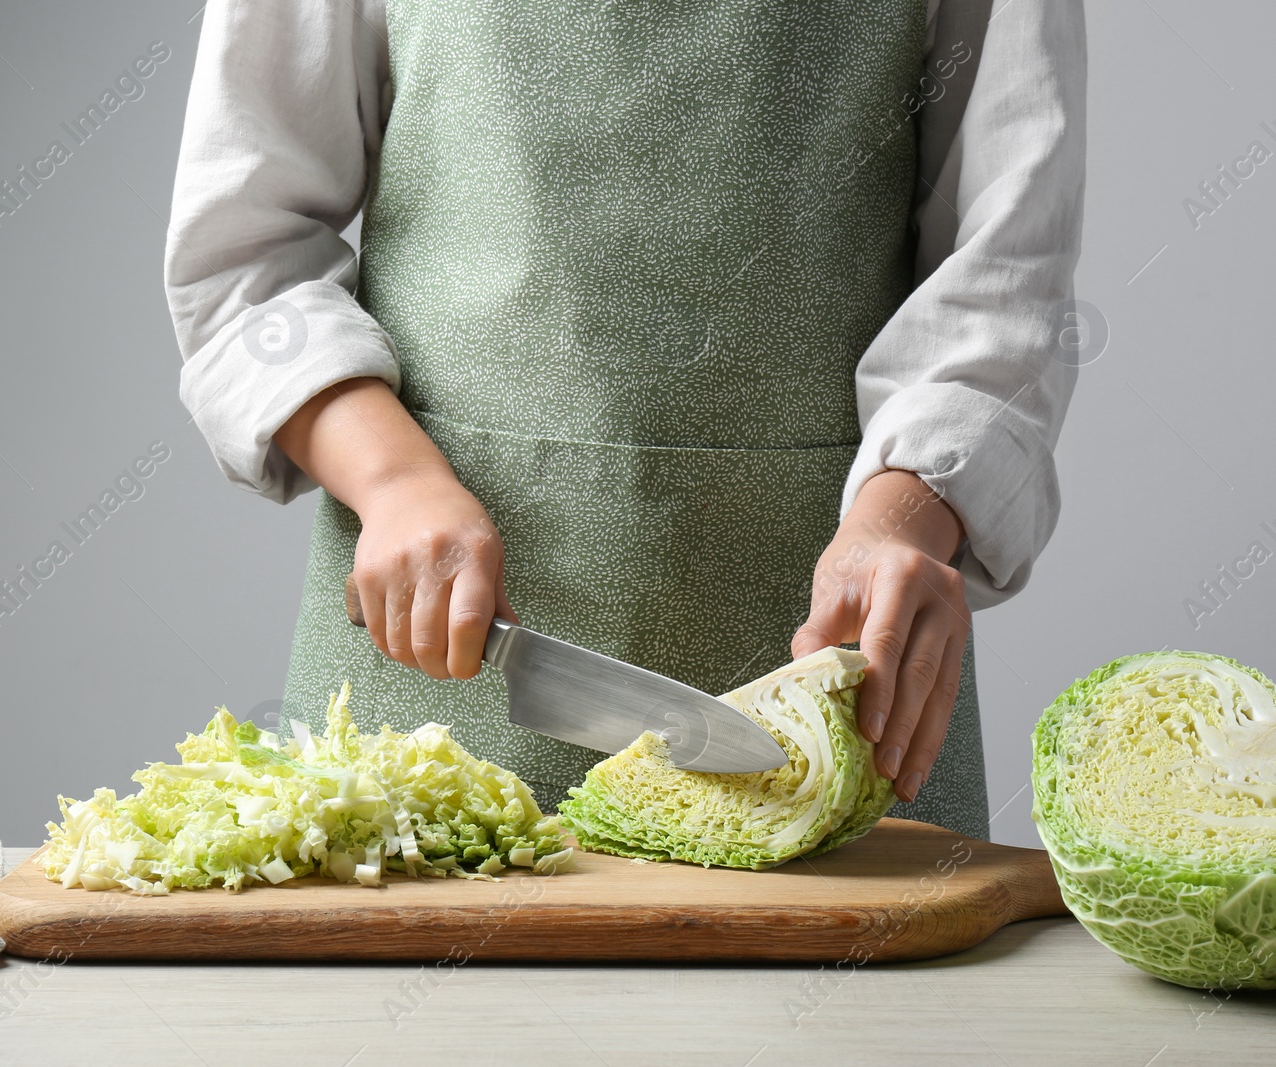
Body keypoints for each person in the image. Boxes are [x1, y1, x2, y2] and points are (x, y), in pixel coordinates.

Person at [166, 0, 1085, 837]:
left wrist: (901, 519)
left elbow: (1003, 278)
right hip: (429, 705)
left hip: (839, 714)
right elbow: (249, 263)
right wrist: (395, 483)